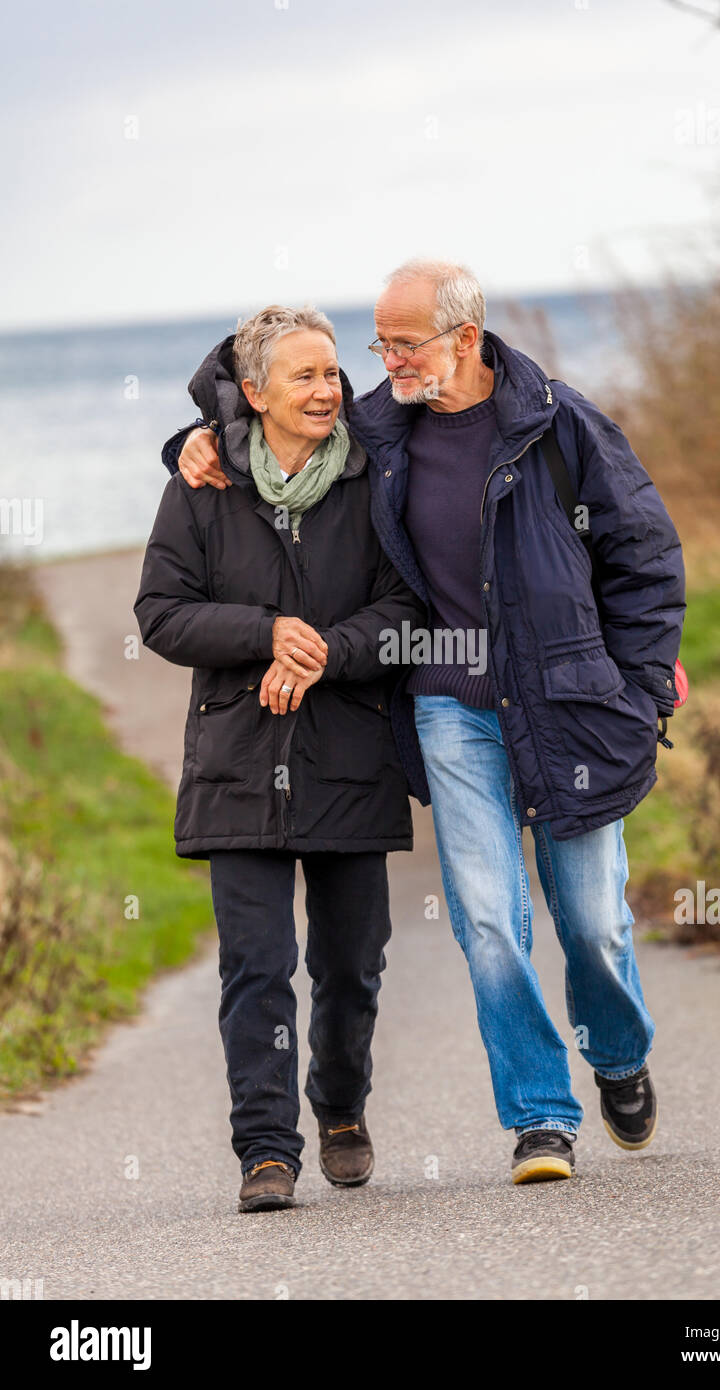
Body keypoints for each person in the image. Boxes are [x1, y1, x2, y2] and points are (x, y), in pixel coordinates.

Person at [166, 262, 686, 1187]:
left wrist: (644, 690)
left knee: (597, 921)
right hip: (449, 702)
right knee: (488, 919)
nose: (384, 364)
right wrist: (193, 440)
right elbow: (266, 414)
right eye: (381, 344)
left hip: (569, 699)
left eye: (404, 344)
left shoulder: (560, 424)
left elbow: (642, 556)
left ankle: (616, 1056)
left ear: (466, 338)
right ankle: (539, 1119)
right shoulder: (383, 427)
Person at [136, 305, 425, 1212]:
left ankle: (340, 1110)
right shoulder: (202, 482)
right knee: (255, 967)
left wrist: (324, 653)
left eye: (333, 373)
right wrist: (266, 634)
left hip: (347, 756)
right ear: (252, 393)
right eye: (303, 376)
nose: (327, 389)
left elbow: (409, 612)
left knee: (353, 962)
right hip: (237, 760)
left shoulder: (375, 482)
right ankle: (266, 1150)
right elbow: (161, 614)